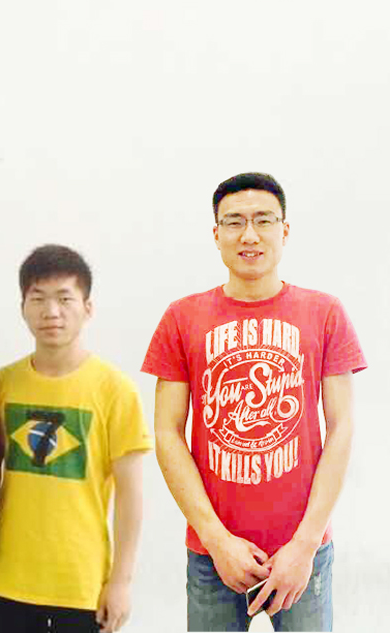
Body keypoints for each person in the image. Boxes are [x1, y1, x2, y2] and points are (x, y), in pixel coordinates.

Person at [142, 172, 367, 631]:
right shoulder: (181, 318)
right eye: (234, 222)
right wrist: (215, 538)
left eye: (263, 220)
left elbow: (341, 429)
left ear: (285, 230)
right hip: (213, 554)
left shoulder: (325, 313)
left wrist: (305, 545)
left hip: (303, 552)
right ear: (216, 234)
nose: (249, 235)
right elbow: (166, 432)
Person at [0, 244, 152, 633]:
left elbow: (132, 495)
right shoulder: (1, 384)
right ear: (22, 308)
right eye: (38, 299)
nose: (51, 312)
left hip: (81, 584)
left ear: (88, 307)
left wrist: (121, 582)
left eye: (65, 299)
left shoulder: (115, 390)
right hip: (10, 579)